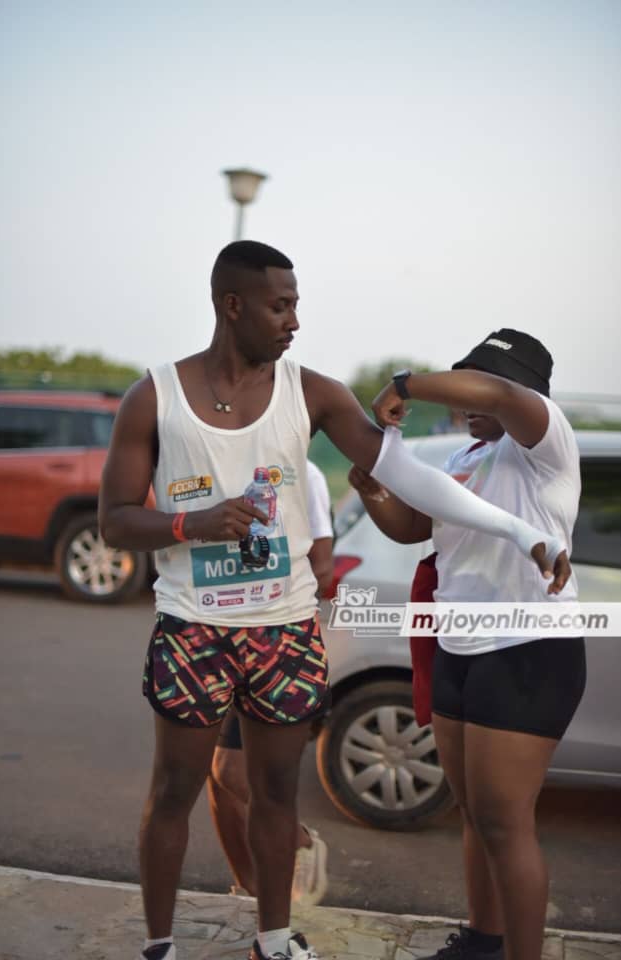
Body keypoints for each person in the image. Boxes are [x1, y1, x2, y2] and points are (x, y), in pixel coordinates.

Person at [98, 243, 569, 960]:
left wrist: (521, 533)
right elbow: (112, 523)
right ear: (232, 305)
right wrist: (191, 522)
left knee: (278, 793)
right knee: (175, 790)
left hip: (286, 628)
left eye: (296, 303)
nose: (294, 320)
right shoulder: (154, 396)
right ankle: (158, 944)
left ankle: (275, 938)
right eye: (279, 305)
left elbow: (404, 473)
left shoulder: (314, 392)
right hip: (194, 625)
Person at [349, 329, 583, 960]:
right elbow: (415, 529)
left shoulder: (545, 442)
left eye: (477, 385)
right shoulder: (464, 459)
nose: (467, 401)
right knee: (475, 814)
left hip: (529, 646)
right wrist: (373, 491)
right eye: (462, 382)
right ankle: (482, 942)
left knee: (507, 823)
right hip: (457, 644)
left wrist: (403, 384)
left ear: (525, 394)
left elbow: (497, 392)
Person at [207, 459, 333, 907]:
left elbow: (323, 568)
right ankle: (246, 887)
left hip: (272, 641)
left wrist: (262, 592)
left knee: (232, 771)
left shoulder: (305, 474)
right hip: (209, 633)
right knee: (216, 773)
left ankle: (299, 842)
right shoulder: (216, 461)